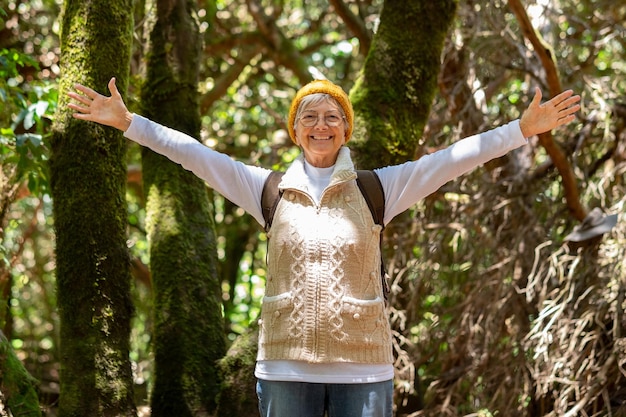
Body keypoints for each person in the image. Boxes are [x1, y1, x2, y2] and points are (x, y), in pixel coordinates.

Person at [67, 77, 580, 417]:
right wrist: (129, 123)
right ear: (295, 130)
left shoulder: (378, 188)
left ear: (346, 129)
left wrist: (521, 130)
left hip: (365, 368)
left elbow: (450, 160)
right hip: (285, 368)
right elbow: (194, 155)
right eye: (309, 116)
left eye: (332, 116)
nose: (321, 125)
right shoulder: (265, 189)